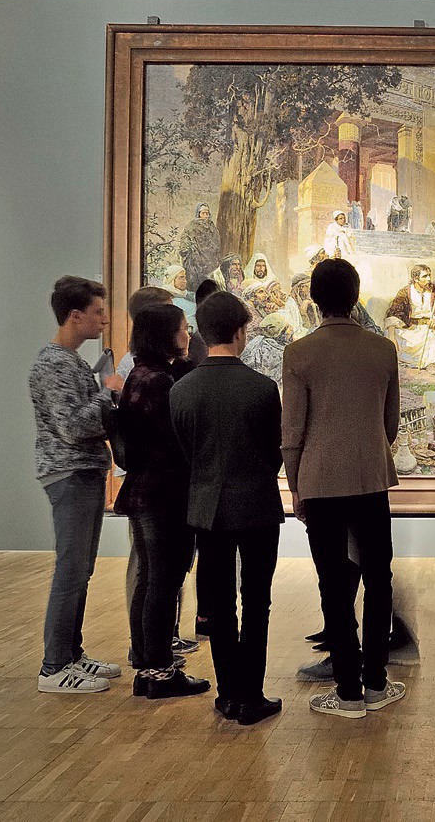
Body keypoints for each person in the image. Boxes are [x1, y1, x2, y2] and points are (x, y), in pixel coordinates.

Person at [282, 258, 406, 719]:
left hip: (319, 480)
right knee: (378, 579)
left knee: (333, 584)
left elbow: (292, 431)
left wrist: (296, 485)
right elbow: (389, 424)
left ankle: (348, 692)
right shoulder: (383, 349)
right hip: (370, 476)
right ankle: (376, 682)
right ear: (355, 297)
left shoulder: (298, 353)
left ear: (314, 298)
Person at [170, 292, 285, 726]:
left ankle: (228, 693)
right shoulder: (262, 388)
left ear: (202, 332)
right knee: (256, 601)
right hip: (257, 502)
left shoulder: (182, 390)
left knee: (219, 603)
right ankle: (252, 696)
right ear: (240, 332)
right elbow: (272, 452)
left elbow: (187, 452)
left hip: (206, 506)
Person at [31, 276, 124, 694]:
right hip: (70, 473)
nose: (104, 319)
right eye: (98, 312)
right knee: (70, 570)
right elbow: (72, 426)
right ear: (75, 315)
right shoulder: (55, 364)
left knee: (80, 569)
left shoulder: (68, 362)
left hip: (82, 472)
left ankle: (72, 654)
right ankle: (54, 667)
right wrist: (108, 392)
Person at [114, 303, 211, 699]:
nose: (188, 335)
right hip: (164, 494)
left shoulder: (141, 375)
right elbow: (178, 440)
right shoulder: (160, 382)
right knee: (164, 582)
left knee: (152, 580)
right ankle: (160, 671)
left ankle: (147, 666)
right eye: (183, 328)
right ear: (165, 335)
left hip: (144, 492)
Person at [383, 264, 435, 368]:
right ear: (416, 279)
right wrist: (392, 337)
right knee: (390, 332)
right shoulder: (405, 292)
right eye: (425, 276)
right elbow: (394, 313)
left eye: (429, 275)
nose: (429, 279)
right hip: (412, 329)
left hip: (431, 329)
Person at [179, 203, 221, 291]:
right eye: (203, 213)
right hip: (196, 261)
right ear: (198, 214)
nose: (206, 215)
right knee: (195, 284)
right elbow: (185, 240)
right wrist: (189, 249)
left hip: (210, 262)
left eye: (207, 213)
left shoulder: (213, 227)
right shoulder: (191, 226)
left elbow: (217, 242)